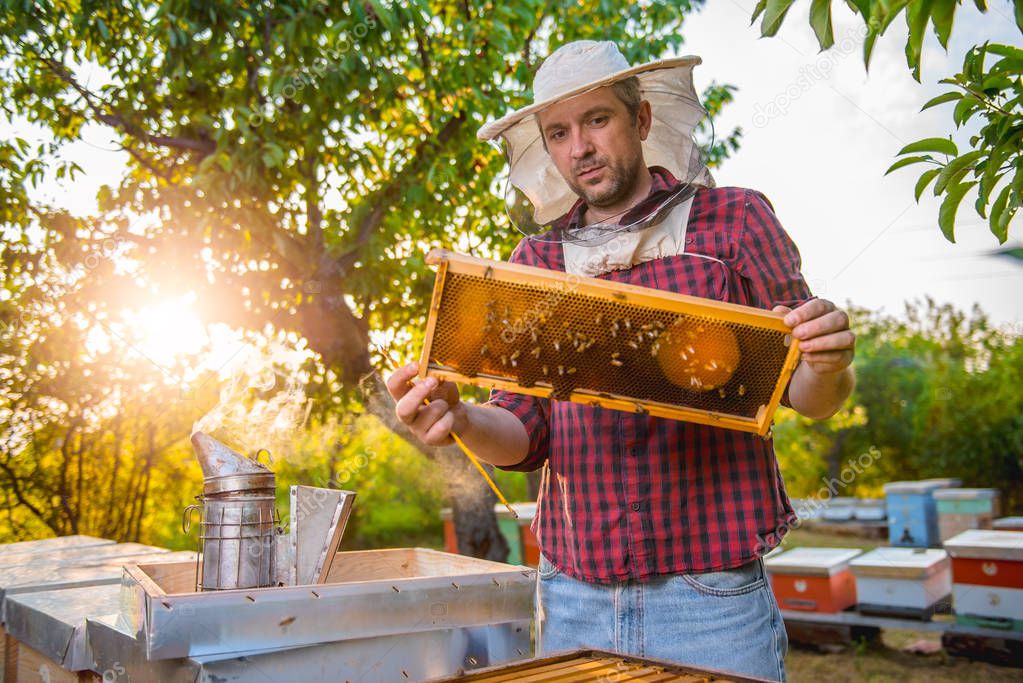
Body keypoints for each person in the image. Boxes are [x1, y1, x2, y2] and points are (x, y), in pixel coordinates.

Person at [386, 40, 855, 682]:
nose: (579, 147)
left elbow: (810, 396)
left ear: (640, 121)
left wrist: (827, 361)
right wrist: (461, 418)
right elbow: (525, 432)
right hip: (574, 595)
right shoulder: (536, 263)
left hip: (712, 599)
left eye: (597, 120)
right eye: (558, 132)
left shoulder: (735, 221)